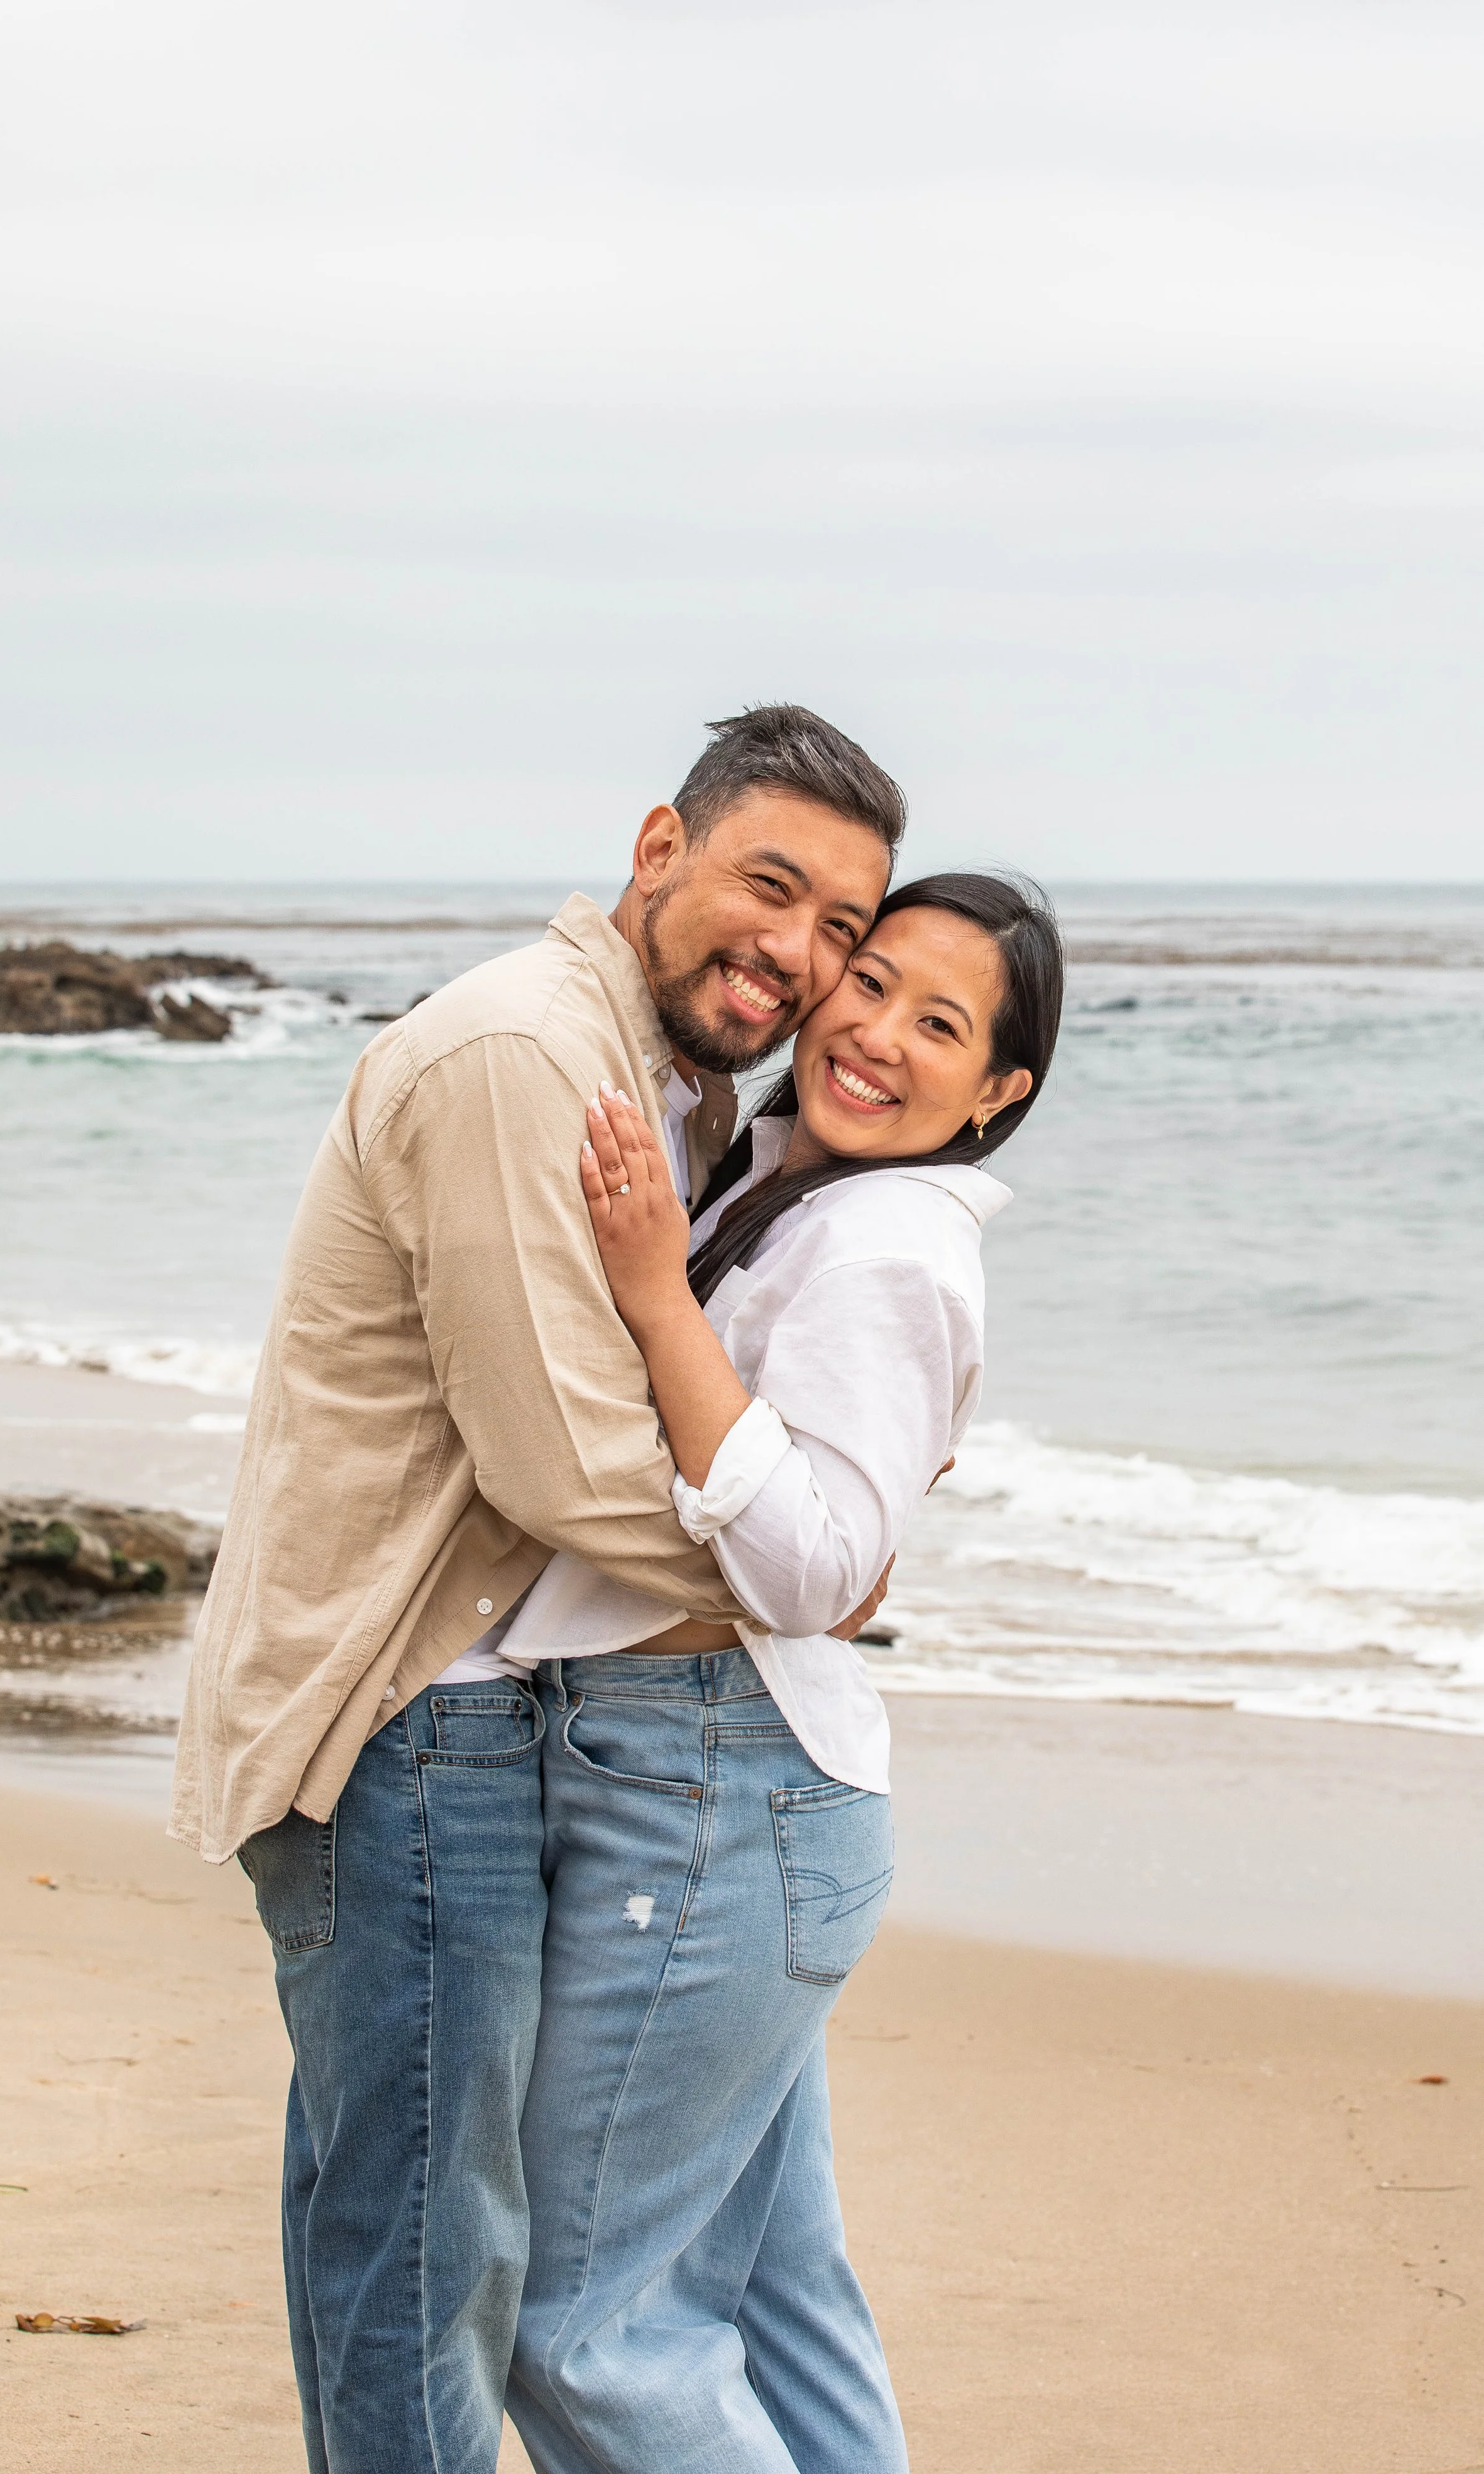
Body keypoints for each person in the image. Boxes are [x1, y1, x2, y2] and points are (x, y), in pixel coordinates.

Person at [169, 705, 905, 2474]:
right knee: (424, 2249)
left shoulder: (672, 1081)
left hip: (507, 1725)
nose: (794, 957)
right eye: (767, 887)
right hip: (411, 1723)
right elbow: (558, 1461)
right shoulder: (520, 1053)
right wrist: (806, 1571)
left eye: (840, 933)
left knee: (419, 2214)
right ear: (660, 848)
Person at [490, 872, 1065, 2473]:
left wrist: (651, 1287)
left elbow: (814, 1572)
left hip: (712, 1810)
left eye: (937, 1025)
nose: (873, 1035)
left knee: (574, 2326)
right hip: (743, 1807)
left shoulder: (885, 1242)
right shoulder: (787, 1181)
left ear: (997, 1092)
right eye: (865, 982)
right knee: (765, 2294)